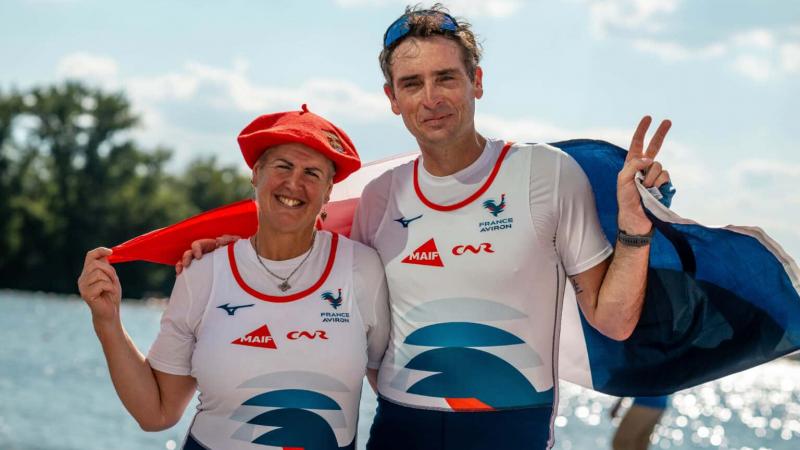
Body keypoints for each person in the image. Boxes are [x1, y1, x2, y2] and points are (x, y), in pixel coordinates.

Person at [179, 4, 672, 450]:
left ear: (477, 81)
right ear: (393, 98)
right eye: (412, 84)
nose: (431, 97)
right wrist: (229, 256)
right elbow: (311, 271)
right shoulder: (379, 197)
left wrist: (634, 229)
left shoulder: (546, 174)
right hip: (400, 429)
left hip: (510, 429)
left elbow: (613, 321)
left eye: (446, 78)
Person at [77, 105, 390, 450]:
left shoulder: (362, 269)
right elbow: (156, 413)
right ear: (256, 174)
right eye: (283, 166)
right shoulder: (204, 271)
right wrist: (107, 321)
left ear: (330, 190)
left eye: (312, 173)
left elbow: (395, 395)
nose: (294, 183)